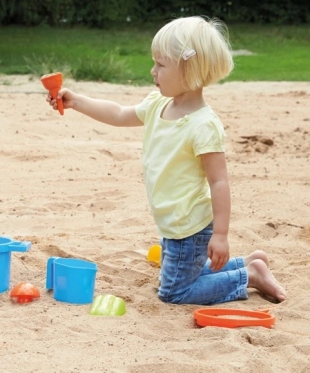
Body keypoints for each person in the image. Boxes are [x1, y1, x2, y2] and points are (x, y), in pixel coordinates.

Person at [46, 16, 286, 305]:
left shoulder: (203, 125)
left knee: (175, 292)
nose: (153, 70)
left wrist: (220, 234)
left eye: (161, 64)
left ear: (189, 69)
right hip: (174, 222)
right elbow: (119, 113)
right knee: (183, 275)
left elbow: (219, 181)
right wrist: (77, 101)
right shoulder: (158, 104)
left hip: (190, 226)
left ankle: (248, 276)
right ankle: (249, 263)